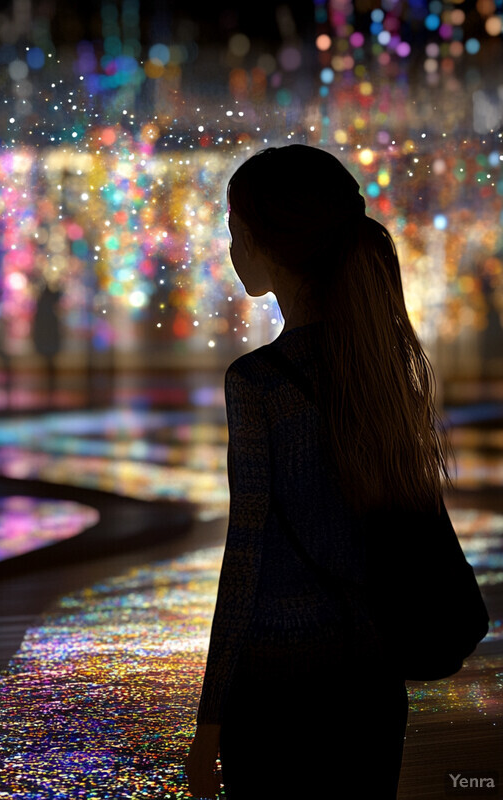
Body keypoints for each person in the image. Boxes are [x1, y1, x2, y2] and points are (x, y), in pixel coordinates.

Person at [185, 145, 451, 798]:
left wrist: (209, 720)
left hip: (279, 688)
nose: (230, 245)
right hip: (373, 683)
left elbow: (245, 553)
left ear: (265, 241)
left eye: (233, 227)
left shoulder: (258, 383)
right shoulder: (388, 367)